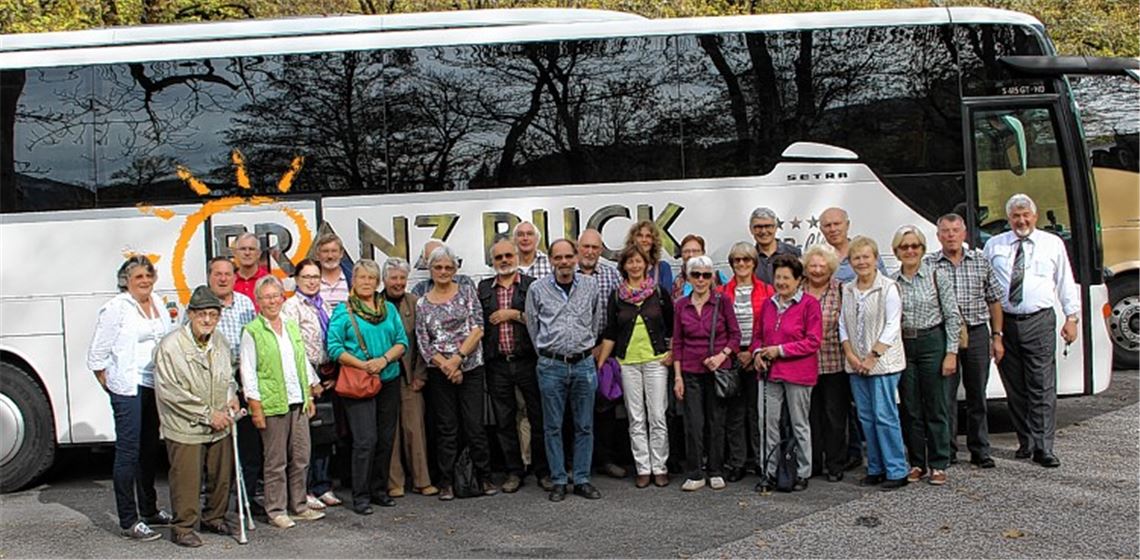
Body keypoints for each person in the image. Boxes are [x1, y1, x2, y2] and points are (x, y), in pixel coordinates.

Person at [984, 193, 1079, 468]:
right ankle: (1026, 441)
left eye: (1026, 215)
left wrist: (1071, 318)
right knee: (1015, 387)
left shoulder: (1052, 244)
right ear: (1009, 219)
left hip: (1039, 320)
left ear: (1035, 217)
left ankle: (1043, 447)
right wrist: (994, 333)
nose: (1021, 220)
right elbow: (986, 285)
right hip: (1005, 323)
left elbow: (1065, 282)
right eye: (1015, 216)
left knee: (1041, 386)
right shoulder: (994, 245)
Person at [86, 255, 177, 541]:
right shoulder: (116, 308)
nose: (145, 281)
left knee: (149, 449)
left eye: (148, 276)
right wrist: (112, 386)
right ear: (126, 280)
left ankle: (149, 509)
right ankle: (128, 519)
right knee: (128, 451)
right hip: (127, 386)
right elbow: (97, 355)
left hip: (154, 383)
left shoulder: (159, 303)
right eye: (139, 277)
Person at [153, 286, 239, 547]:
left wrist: (232, 396)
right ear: (190, 314)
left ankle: (214, 516)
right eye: (202, 314)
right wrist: (207, 414)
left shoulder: (220, 341)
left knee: (222, 475)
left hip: (220, 421)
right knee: (187, 478)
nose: (207, 320)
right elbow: (171, 392)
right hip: (185, 425)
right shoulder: (170, 346)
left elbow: (229, 376)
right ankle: (183, 527)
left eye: (213, 315)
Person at [240, 276, 325, 528]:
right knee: (275, 462)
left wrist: (309, 392)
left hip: (297, 400)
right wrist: (255, 406)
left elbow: (301, 361)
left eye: (276, 296)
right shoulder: (252, 331)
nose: (272, 301)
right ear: (258, 301)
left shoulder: (289, 325)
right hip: (272, 403)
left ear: (282, 297)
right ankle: (276, 509)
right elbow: (248, 370)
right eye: (266, 297)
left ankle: (298, 505)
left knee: (301, 456)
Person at [415, 245, 498, 500]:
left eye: (448, 267)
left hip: (470, 367)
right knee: (446, 428)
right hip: (440, 372)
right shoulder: (421, 303)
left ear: (455, 269)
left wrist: (458, 359)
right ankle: (447, 481)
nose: (443, 271)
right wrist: (447, 366)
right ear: (430, 270)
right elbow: (423, 342)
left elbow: (478, 328)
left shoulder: (467, 293)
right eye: (438, 267)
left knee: (475, 426)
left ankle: (483, 477)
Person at [525, 238, 606, 502]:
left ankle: (582, 479)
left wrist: (583, 347)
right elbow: (533, 327)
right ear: (550, 260)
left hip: (583, 363)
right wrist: (550, 352)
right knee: (552, 427)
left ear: (576, 258)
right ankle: (559, 480)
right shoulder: (537, 289)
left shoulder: (590, 285)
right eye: (558, 258)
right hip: (551, 365)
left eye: (568, 257)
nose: (564, 262)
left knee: (585, 425)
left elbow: (596, 321)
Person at [325, 260, 407, 514]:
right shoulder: (344, 311)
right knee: (365, 440)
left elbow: (402, 341)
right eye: (362, 277)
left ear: (377, 282)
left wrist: (383, 360)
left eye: (371, 278)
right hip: (358, 383)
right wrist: (363, 365)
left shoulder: (389, 310)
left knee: (385, 438)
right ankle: (360, 496)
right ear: (354, 280)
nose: (367, 282)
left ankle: (378, 490)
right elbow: (334, 347)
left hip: (388, 378)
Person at [926, 213, 1005, 468]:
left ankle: (980, 450)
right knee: (945, 396)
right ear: (938, 236)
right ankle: (946, 450)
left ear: (965, 234)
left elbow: (994, 299)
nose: (950, 235)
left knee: (977, 394)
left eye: (955, 230)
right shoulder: (929, 265)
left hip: (977, 332)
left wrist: (997, 336)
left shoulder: (980, 261)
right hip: (944, 335)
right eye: (946, 231)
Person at [596, 245, 674, 488]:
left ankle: (659, 466)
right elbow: (610, 331)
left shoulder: (658, 293)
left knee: (658, 415)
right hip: (627, 363)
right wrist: (600, 364)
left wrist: (672, 352)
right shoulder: (617, 296)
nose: (635, 266)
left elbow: (671, 327)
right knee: (636, 417)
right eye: (630, 262)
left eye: (639, 261)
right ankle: (643, 467)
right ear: (624, 266)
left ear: (646, 264)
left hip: (656, 360)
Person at [478, 239, 550, 493]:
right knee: (504, 421)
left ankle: (543, 471)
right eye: (499, 257)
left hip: (528, 361)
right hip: (497, 364)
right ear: (493, 262)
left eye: (509, 255)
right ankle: (513, 472)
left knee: (538, 417)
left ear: (517, 257)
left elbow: (544, 319)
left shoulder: (533, 286)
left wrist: (514, 315)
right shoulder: (484, 288)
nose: (505, 260)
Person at [838, 236, 909, 490]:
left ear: (876, 258)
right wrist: (850, 354)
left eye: (866, 256)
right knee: (866, 417)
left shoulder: (888, 287)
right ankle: (876, 467)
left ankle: (897, 469)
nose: (861, 262)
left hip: (883, 364)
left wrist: (872, 357)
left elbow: (892, 325)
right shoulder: (847, 289)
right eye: (856, 258)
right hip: (855, 363)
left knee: (885, 415)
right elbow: (842, 324)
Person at [891, 226, 960, 486]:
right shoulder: (892, 282)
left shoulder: (936, 275)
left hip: (933, 341)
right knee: (910, 407)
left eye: (915, 246)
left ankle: (939, 463)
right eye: (904, 247)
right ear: (896, 251)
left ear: (922, 249)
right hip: (905, 345)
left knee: (936, 405)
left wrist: (950, 353)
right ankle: (917, 462)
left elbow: (952, 315)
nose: (910, 251)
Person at [752, 254, 822, 493]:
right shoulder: (768, 304)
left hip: (798, 374)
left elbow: (813, 341)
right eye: (778, 277)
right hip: (769, 374)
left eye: (786, 278)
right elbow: (757, 337)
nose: (781, 282)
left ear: (798, 280)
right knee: (767, 423)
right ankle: (768, 471)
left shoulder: (809, 304)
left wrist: (779, 351)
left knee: (799, 423)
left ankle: (802, 471)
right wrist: (757, 354)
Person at [672, 255, 740, 492]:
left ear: (712, 277)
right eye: (696, 274)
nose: (701, 280)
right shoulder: (681, 304)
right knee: (693, 423)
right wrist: (677, 377)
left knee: (716, 421)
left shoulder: (722, 301)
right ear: (688, 277)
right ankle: (695, 472)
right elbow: (677, 343)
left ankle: (715, 469)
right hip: (690, 370)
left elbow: (735, 336)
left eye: (706, 275)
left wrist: (722, 356)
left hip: (717, 370)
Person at [819, 206, 878, 470]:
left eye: (837, 224)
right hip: (837, 344)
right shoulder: (822, 257)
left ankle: (869, 455)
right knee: (842, 404)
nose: (833, 229)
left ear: (847, 224)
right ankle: (851, 452)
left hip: (866, 343)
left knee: (865, 404)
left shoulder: (862, 253)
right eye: (827, 225)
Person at [281, 259, 341, 510]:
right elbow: (293, 348)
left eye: (316, 276)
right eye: (306, 277)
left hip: (327, 371)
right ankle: (303, 489)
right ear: (296, 279)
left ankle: (322, 484)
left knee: (324, 433)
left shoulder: (324, 305)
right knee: (304, 437)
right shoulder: (291, 307)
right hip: (305, 375)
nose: (312, 281)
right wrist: (310, 381)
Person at [205, 256, 261, 514]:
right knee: (219, 450)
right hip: (215, 383)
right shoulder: (202, 307)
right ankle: (216, 506)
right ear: (209, 277)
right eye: (218, 274)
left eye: (228, 274)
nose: (223, 278)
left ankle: (245, 500)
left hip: (243, 377)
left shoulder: (246, 303)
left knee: (249, 446)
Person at [382, 257, 438, 498]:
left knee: (414, 429)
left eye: (402, 278)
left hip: (410, 377)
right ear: (384, 280)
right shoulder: (375, 304)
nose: (397, 282)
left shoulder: (416, 303)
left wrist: (421, 376)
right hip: (383, 378)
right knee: (390, 431)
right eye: (393, 277)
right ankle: (394, 482)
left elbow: (425, 342)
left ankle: (421, 480)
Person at [719, 242, 774, 482]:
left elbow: (770, 326)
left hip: (758, 356)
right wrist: (734, 352)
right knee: (735, 413)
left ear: (754, 263)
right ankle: (737, 462)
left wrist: (753, 352)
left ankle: (762, 461)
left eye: (747, 260)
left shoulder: (768, 291)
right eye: (737, 261)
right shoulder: (721, 292)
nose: (742, 264)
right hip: (731, 357)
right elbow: (719, 328)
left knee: (758, 412)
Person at [576, 228, 626, 480]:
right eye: (585, 247)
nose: (590, 252)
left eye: (595, 248)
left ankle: (605, 459)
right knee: (576, 408)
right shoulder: (565, 275)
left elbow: (619, 314)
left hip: (605, 345)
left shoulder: (611, 275)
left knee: (605, 405)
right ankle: (579, 462)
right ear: (577, 248)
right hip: (574, 349)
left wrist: (603, 347)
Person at [802, 244, 849, 482]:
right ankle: (814, 464)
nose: (817, 270)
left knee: (834, 416)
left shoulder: (841, 289)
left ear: (830, 267)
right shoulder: (798, 290)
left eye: (822, 265)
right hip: (803, 364)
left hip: (834, 362)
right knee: (810, 416)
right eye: (813, 265)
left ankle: (835, 464)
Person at [750, 207, 802, 285]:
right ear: (751, 229)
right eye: (758, 227)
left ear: (775, 228)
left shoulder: (794, 253)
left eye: (768, 226)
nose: (763, 231)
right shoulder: (748, 258)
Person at [411, 239, 477, 296]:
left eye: (440, 255)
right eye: (431, 259)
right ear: (426, 264)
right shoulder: (420, 289)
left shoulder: (464, 282)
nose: (443, 271)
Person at [671, 234, 726, 298]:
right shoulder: (677, 282)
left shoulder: (717, 278)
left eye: (695, 251)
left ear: (703, 253)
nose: (691, 255)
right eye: (686, 251)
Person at [625, 219, 673, 290]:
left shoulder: (663, 268)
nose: (644, 240)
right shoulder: (625, 267)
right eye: (640, 236)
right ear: (633, 239)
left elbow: (667, 297)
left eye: (648, 236)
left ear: (654, 241)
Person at [315, 231, 351, 313]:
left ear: (341, 254)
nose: (330, 256)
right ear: (317, 255)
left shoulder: (352, 278)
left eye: (334, 251)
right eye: (325, 251)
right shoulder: (309, 279)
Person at [231, 232, 269, 305]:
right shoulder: (228, 281)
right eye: (242, 249)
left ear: (259, 253)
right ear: (235, 253)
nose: (247, 253)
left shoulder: (269, 280)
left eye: (251, 249)